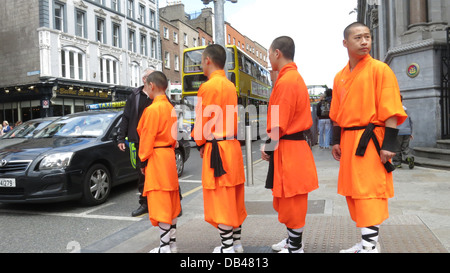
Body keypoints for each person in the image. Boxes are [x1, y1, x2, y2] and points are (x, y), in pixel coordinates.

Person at [329, 22, 407, 253]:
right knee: (353, 192)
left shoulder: (380, 69)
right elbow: (336, 113)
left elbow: (391, 109)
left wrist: (389, 145)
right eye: (358, 38)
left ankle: (370, 247)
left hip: (372, 140)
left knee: (369, 193)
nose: (364, 42)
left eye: (367, 37)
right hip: (349, 139)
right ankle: (367, 242)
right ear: (345, 43)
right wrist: (336, 140)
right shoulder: (340, 76)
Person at [261, 36, 319, 253]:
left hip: (290, 149)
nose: (268, 58)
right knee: (289, 199)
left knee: (292, 200)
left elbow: (279, 122)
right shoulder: (291, 78)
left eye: (269, 53)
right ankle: (293, 242)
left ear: (277, 53)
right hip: (291, 147)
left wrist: (268, 146)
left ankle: (295, 248)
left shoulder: (286, 81)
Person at [191, 44, 247, 253]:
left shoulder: (207, 87)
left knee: (221, 197)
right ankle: (237, 243)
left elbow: (202, 120)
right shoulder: (230, 86)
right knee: (233, 196)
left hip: (216, 149)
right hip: (231, 146)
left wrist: (199, 143)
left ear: (207, 60)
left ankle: (227, 247)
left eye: (201, 61)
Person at [137, 71, 181, 253]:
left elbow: (146, 138)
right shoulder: (170, 108)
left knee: (160, 202)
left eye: (146, 85)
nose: (145, 89)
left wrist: (142, 161)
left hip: (156, 157)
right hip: (169, 156)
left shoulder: (152, 109)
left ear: (151, 85)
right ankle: (172, 244)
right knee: (171, 202)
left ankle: (164, 247)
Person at [118, 68, 154, 217]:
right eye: (152, 76)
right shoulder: (134, 95)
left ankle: (174, 203)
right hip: (139, 141)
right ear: (144, 79)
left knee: (165, 173)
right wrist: (121, 137)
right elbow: (126, 117)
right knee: (142, 173)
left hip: (156, 141)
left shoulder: (159, 94)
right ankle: (144, 203)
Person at [393, 96, 414, 169]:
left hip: (397, 131)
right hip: (407, 131)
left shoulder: (394, 109)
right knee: (405, 147)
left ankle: (397, 163)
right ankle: (409, 157)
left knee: (396, 147)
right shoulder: (406, 110)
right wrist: (411, 132)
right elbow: (411, 121)